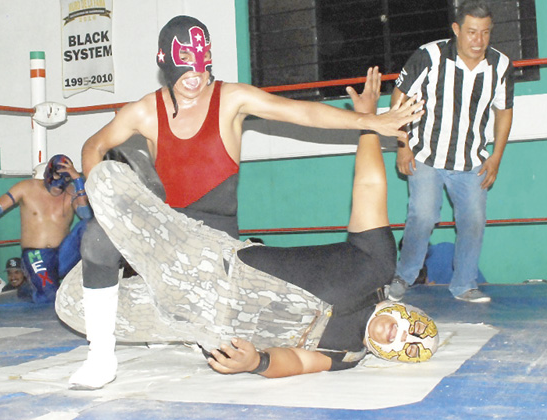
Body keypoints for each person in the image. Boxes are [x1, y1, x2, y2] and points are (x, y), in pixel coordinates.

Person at [71, 15, 424, 388]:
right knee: (96, 237)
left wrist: (368, 122)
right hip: (167, 231)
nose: (196, 75)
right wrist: (104, 209)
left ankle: (175, 317)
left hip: (215, 246)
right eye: (185, 65)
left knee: (214, 345)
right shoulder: (144, 111)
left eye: (203, 64)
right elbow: (93, 146)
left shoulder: (231, 99)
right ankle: (101, 356)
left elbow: (300, 112)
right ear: (164, 61)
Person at [389, 0, 513, 303]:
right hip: (425, 155)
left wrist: (496, 156)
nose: (478, 40)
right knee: (423, 215)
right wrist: (403, 146)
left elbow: (504, 111)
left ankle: (464, 284)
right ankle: (403, 276)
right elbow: (399, 97)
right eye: (471, 32)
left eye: (485, 32)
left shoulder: (500, 65)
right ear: (456, 29)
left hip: (471, 161)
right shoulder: (429, 56)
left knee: (474, 220)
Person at [0, 154, 90, 303]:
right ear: (48, 175)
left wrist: (78, 180)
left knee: (89, 226)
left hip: (63, 255)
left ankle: (99, 273)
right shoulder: (27, 187)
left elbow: (86, 216)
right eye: (56, 180)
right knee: (50, 296)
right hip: (36, 255)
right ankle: (28, 289)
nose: (58, 189)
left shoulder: (72, 191)